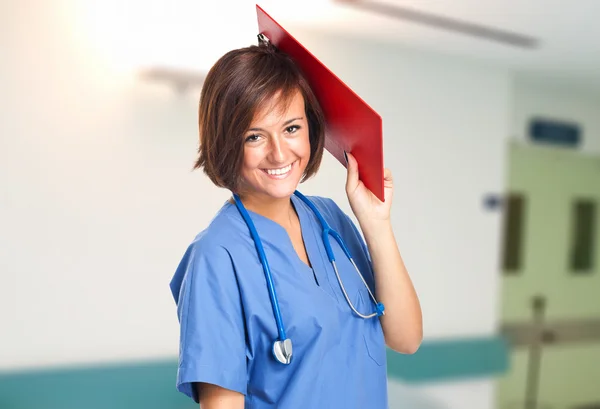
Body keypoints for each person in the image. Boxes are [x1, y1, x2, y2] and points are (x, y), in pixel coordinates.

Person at [169, 37, 422, 409]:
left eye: (291, 128)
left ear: (311, 128)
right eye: (254, 136)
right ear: (225, 142)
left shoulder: (329, 219)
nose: (279, 153)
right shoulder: (216, 257)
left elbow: (406, 338)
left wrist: (376, 223)